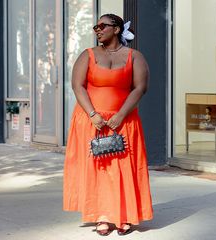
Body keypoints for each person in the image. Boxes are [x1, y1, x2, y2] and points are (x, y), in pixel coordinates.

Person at [63, 13, 153, 236]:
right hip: (92, 120)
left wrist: (121, 115)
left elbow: (139, 88)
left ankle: (124, 215)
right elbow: (77, 85)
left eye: (102, 25)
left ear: (117, 29)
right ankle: (102, 215)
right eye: (96, 26)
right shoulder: (88, 55)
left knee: (124, 168)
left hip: (123, 121)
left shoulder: (135, 56)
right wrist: (93, 114)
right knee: (99, 169)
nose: (98, 29)